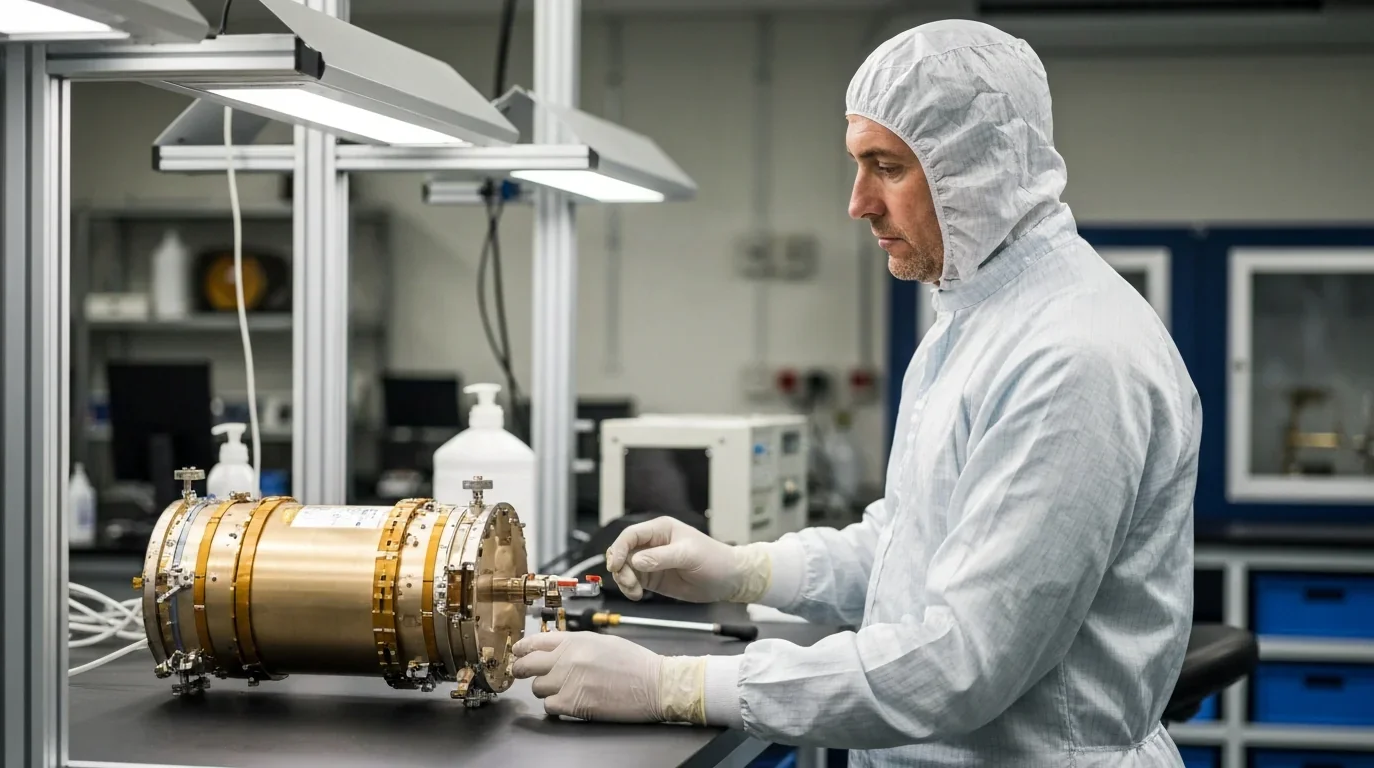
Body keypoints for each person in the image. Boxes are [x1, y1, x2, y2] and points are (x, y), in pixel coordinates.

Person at [512, 18, 1202, 767]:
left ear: (979, 170)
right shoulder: (973, 317)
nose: (857, 203)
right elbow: (907, 544)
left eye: (887, 167)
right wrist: (745, 568)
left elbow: (963, 662)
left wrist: (674, 686)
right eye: (858, 164)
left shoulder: (1071, 356)